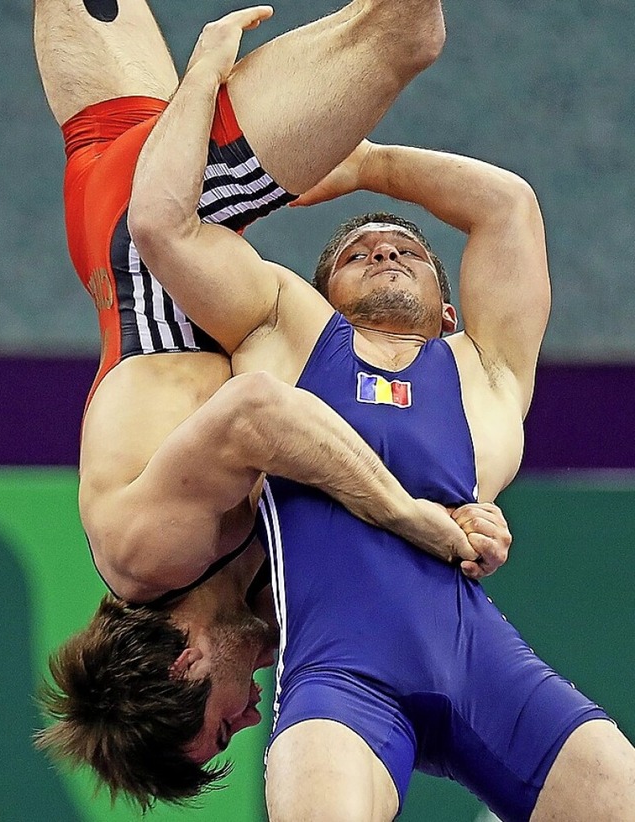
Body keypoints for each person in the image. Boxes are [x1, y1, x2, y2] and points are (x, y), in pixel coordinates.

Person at [127, 39, 635, 822]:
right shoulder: (287, 329)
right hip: (341, 684)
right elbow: (161, 227)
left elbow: (507, 207)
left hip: (490, 675)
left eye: (404, 251)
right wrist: (200, 75)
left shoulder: (486, 369)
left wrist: (370, 166)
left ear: (448, 313)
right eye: (358, 253)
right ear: (325, 295)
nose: (383, 248)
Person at [35, 0, 511, 811]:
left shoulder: (144, 553)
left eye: (224, 725)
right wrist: (472, 518)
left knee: (405, 31)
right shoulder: (248, 593)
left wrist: (405, 513)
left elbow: (260, 413)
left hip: (168, 218)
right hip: (115, 179)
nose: (253, 714)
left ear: (183, 664)